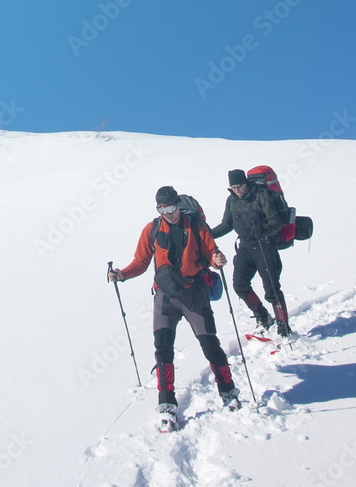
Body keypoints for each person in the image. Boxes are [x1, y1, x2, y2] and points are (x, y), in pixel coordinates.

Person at [108, 186, 239, 425]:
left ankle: (228, 392)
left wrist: (217, 259)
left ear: (179, 204)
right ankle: (166, 403)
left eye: (172, 207)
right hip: (165, 297)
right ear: (158, 209)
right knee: (163, 348)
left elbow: (212, 252)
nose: (168, 213)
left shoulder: (196, 226)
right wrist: (122, 274)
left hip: (194, 293)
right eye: (163, 208)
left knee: (210, 344)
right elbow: (141, 262)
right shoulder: (153, 229)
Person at [210, 169, 291, 337]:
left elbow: (276, 222)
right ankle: (263, 317)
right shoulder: (231, 200)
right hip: (245, 247)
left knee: (272, 290)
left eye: (239, 186)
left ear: (245, 183)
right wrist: (207, 234)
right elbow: (227, 224)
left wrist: (264, 229)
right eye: (233, 187)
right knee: (240, 285)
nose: (236, 190)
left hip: (265, 246)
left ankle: (284, 328)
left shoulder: (261, 196)